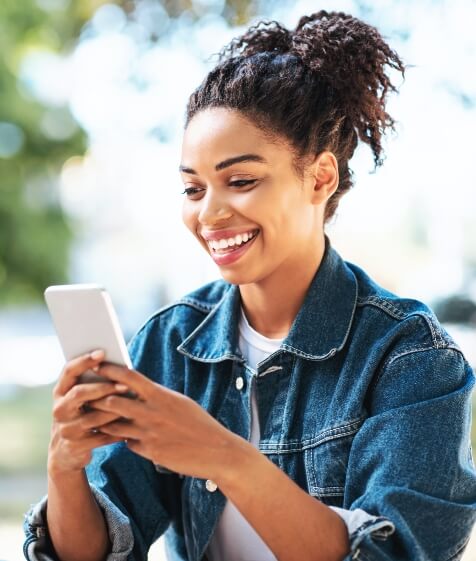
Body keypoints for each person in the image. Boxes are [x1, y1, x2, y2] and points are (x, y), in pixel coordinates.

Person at [23, 9, 476, 561]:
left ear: (320, 177)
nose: (209, 215)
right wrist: (65, 467)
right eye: (193, 190)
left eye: (240, 181)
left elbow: (396, 553)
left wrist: (222, 454)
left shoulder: (410, 358)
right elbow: (92, 552)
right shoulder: (170, 344)